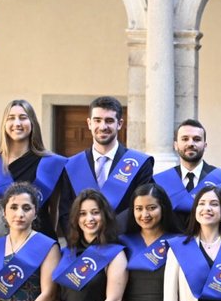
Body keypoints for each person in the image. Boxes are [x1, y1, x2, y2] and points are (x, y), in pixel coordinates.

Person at [59, 95, 154, 232]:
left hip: (125, 245)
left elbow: (142, 208)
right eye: (97, 120)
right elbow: (65, 212)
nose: (103, 127)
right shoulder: (72, 165)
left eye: (109, 121)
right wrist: (80, 245)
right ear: (89, 123)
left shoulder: (139, 164)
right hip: (83, 247)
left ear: (119, 124)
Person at [0, 98, 65, 225]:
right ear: (4, 124)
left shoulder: (52, 163)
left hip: (39, 237)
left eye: (23, 117)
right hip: (1, 238)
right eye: (11, 118)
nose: (17, 123)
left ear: (32, 123)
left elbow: (55, 210)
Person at [156, 119, 221, 224]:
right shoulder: (160, 181)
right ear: (175, 145)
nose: (190, 143)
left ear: (205, 145)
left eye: (197, 139)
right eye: (185, 139)